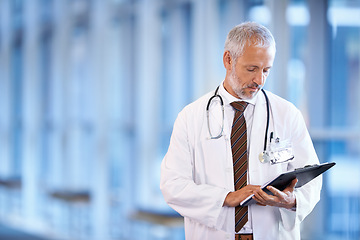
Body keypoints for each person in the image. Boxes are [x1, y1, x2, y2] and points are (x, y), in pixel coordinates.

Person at [160, 22, 322, 240]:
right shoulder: (191, 117)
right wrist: (226, 197)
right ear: (228, 59)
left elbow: (311, 181)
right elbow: (173, 185)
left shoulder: (287, 114)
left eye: (266, 70)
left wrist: (291, 201)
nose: (260, 80)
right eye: (252, 69)